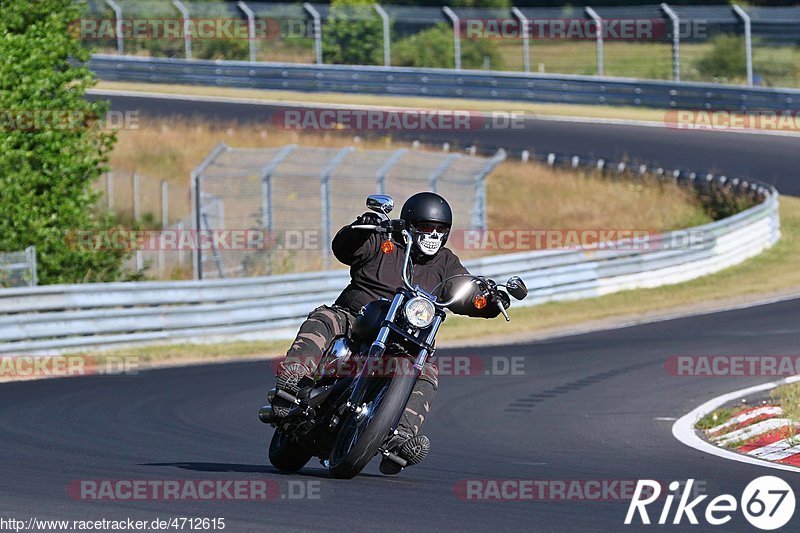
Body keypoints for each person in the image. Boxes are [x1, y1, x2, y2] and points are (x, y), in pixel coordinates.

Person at [268, 191, 509, 475]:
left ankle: (401, 438)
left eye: (439, 229)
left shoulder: (446, 263)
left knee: (428, 370)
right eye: (425, 227)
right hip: (355, 316)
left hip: (405, 337)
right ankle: (293, 379)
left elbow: (465, 291)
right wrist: (361, 228)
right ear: (409, 224)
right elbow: (344, 249)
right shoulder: (385, 239)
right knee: (325, 318)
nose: (432, 234)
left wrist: (489, 299)